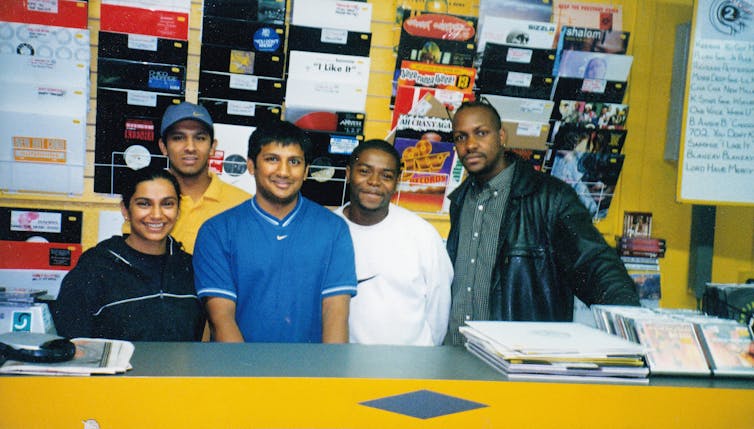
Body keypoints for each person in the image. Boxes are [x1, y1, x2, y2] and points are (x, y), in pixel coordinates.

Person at [445, 101, 640, 346]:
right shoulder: (461, 201)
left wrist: (632, 324)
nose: (470, 145)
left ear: (502, 136)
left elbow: (595, 266)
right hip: (456, 355)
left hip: (517, 360)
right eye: (460, 137)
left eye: (481, 133)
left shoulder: (550, 198)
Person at [193, 120, 357, 343]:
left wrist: (327, 376)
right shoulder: (217, 231)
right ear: (251, 165)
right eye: (272, 159)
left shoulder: (333, 229)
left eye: (294, 162)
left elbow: (335, 314)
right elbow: (221, 319)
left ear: (306, 170)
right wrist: (247, 376)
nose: (283, 172)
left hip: (311, 372)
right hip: (239, 369)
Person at [53, 167, 205, 341]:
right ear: (125, 210)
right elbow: (72, 340)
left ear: (178, 211)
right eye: (144, 203)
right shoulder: (95, 267)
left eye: (167, 203)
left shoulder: (191, 267)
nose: (157, 215)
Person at [334, 139, 453, 346]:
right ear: (348, 173)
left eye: (386, 176)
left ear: (397, 182)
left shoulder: (421, 234)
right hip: (345, 367)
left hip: (410, 368)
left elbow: (439, 309)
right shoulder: (329, 231)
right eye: (364, 171)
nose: (374, 182)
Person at [157, 102, 251, 254]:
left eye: (199, 138)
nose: (190, 147)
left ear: (213, 147)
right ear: (163, 147)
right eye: (178, 138)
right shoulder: (149, 201)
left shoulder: (242, 205)